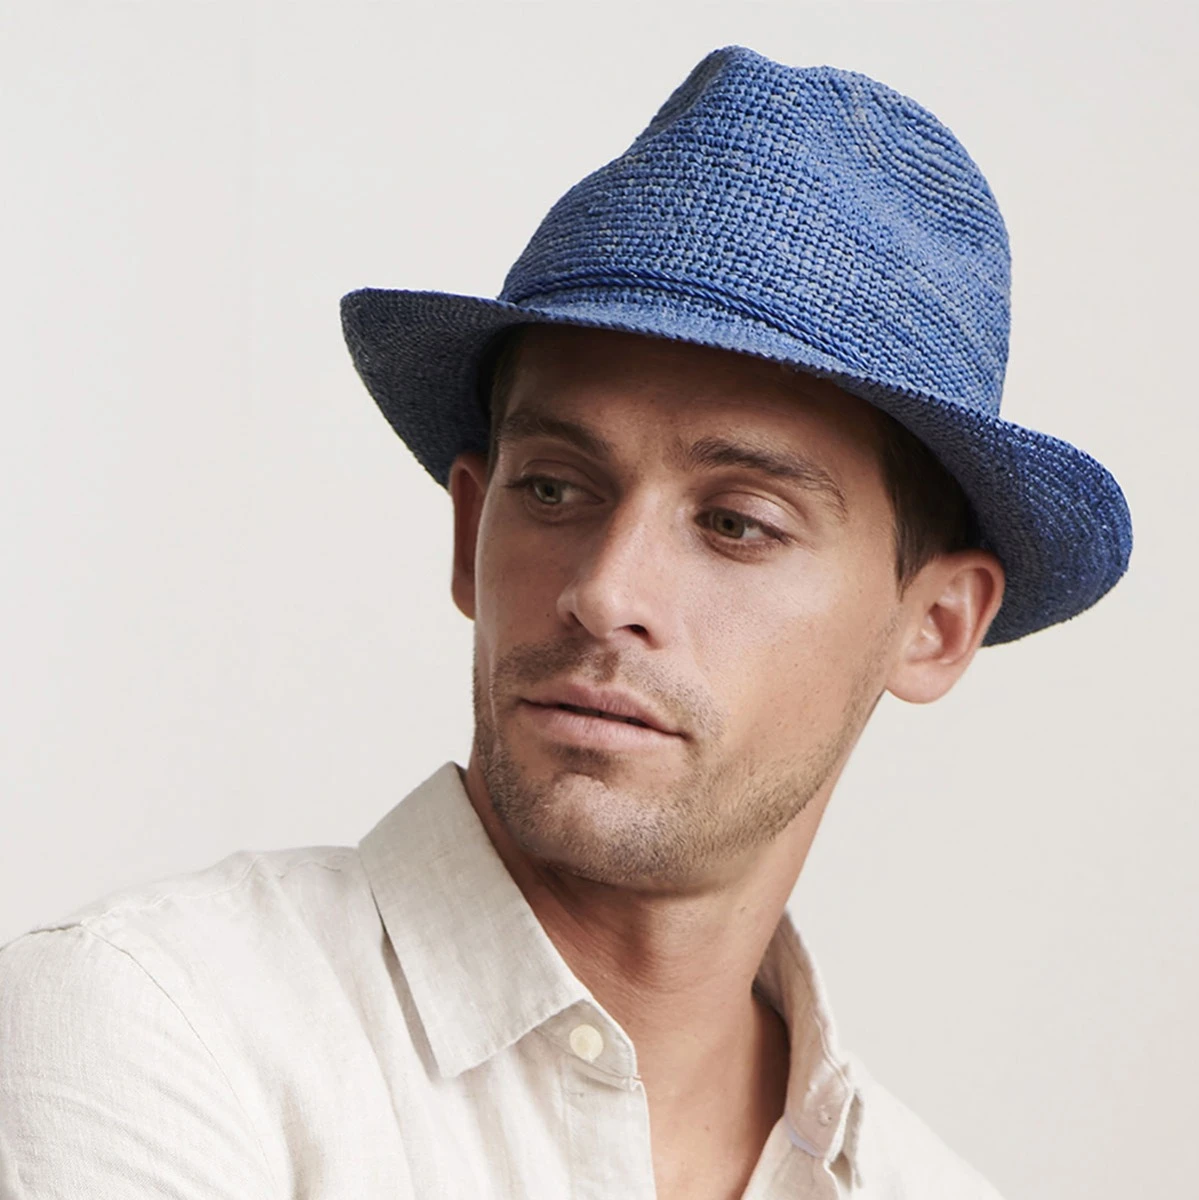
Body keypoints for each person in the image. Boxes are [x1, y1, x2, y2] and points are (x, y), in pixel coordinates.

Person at [0, 44, 1130, 1200]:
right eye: (551, 489)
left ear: (934, 624)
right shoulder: (158, 1030)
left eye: (735, 523)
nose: (605, 589)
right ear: (468, 536)